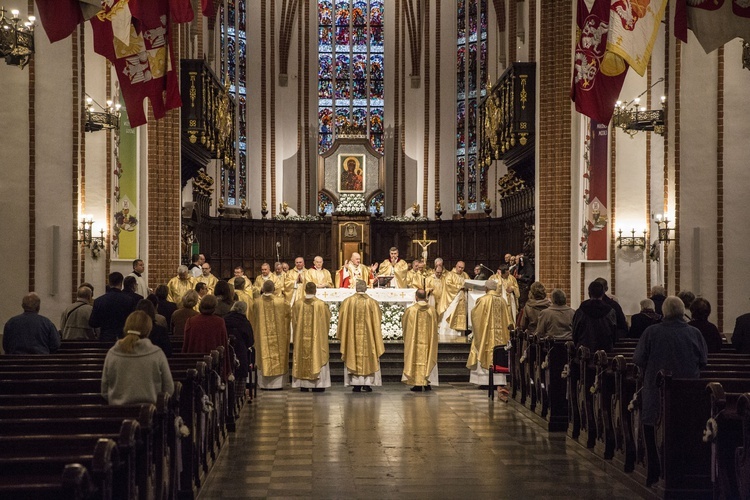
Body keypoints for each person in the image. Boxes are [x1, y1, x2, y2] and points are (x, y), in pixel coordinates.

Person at [633, 296, 707, 486]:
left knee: (651, 425)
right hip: (687, 392)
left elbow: (639, 359)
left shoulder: (651, 332)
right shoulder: (695, 333)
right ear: (683, 312)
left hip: (655, 391)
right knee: (684, 428)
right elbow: (703, 361)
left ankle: (654, 471)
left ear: (664, 312)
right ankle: (684, 471)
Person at [101, 310, 174, 405]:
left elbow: (104, 390)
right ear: (148, 330)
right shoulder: (156, 353)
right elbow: (169, 389)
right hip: (149, 414)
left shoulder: (113, 353)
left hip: (118, 414)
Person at [337, 280, 385, 392]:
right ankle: (368, 384)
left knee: (353, 353)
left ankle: (356, 384)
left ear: (355, 288)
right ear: (366, 288)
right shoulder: (372, 302)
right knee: (370, 354)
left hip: (352, 338)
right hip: (369, 338)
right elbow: (378, 320)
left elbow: (342, 320)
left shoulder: (348, 302)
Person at [466, 280, 515, 387]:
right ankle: (498, 381)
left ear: (486, 289)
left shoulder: (483, 300)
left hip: (486, 335)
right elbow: (508, 320)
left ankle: (484, 381)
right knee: (498, 354)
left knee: (484, 350)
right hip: (500, 337)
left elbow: (476, 317)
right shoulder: (502, 301)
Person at [291, 282, 332, 392]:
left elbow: (294, 321)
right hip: (316, 340)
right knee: (317, 354)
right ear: (315, 290)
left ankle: (303, 384)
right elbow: (326, 321)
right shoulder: (321, 305)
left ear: (305, 290)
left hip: (301, 339)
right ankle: (318, 385)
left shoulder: (298, 304)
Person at [254, 280, 292, 389]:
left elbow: (254, 318)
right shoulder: (281, 302)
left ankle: (264, 384)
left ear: (262, 289)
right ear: (274, 289)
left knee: (263, 354)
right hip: (279, 337)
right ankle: (278, 384)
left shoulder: (256, 302)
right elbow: (288, 316)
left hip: (262, 337)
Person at [183, 294, 232, 378]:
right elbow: (224, 344)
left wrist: (184, 362)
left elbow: (186, 344)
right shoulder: (219, 322)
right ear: (214, 307)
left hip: (194, 362)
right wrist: (227, 369)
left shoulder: (191, 321)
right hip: (214, 364)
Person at [402, 289, 439, 392]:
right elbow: (436, 324)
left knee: (414, 357)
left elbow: (405, 325)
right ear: (426, 297)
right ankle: (428, 383)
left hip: (415, 343)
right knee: (428, 356)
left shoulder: (411, 310)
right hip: (428, 342)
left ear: (416, 297)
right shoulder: (432, 310)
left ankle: (417, 384)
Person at [90, 272, 139, 344]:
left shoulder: (99, 301)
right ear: (121, 283)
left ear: (109, 283)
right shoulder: (129, 300)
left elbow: (93, 323)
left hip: (105, 338)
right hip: (123, 338)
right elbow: (133, 322)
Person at [572, 280, 617, 354]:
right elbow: (614, 333)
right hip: (605, 350)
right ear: (603, 293)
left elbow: (575, 332)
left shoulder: (581, 311)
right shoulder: (610, 311)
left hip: (584, 349)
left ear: (589, 293)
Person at [223, 301, 254, 392]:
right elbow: (250, 341)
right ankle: (239, 394)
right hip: (241, 355)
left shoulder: (224, 319)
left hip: (226, 355)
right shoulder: (245, 322)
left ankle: (227, 395)